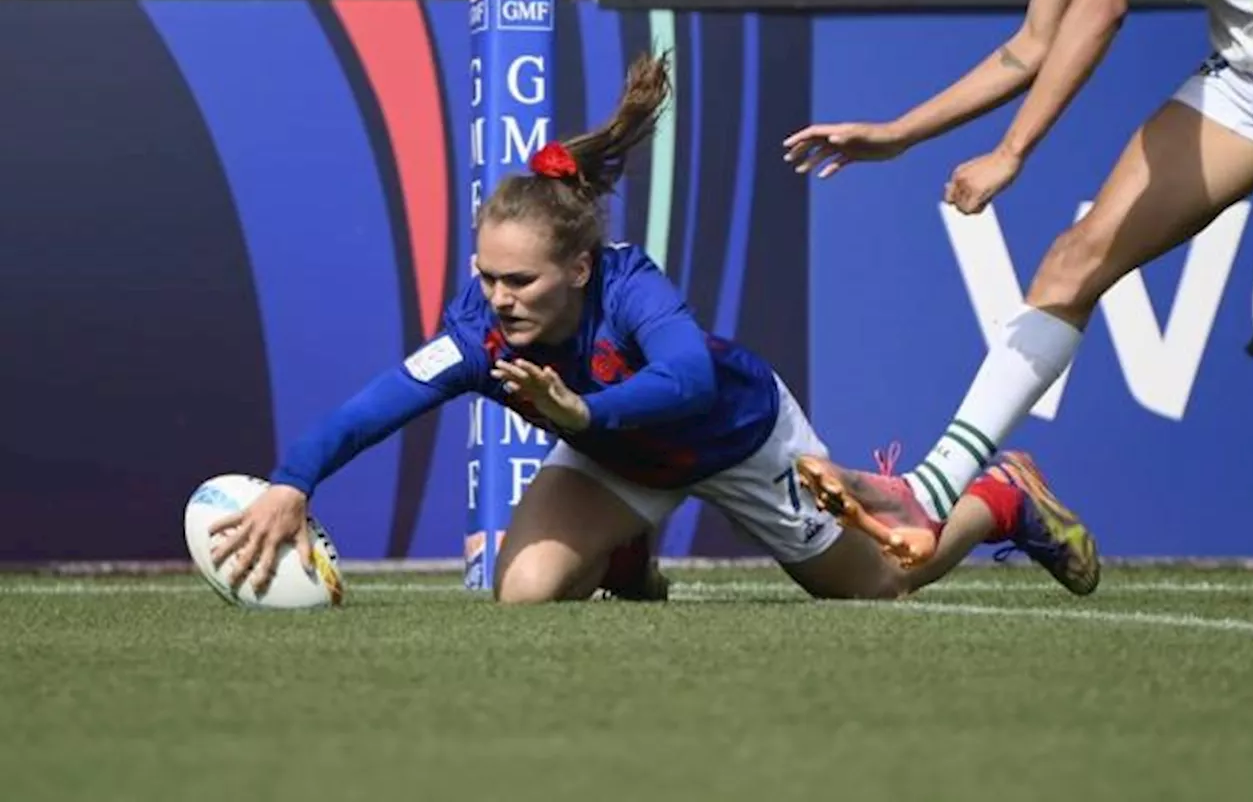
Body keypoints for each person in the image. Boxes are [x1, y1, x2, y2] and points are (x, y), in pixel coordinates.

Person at [209, 54, 1099, 604]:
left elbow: (692, 383)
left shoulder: (631, 287)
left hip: (738, 442)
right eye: (485, 276)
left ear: (579, 269)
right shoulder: (478, 329)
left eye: (519, 279)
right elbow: (380, 403)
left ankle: (1003, 497)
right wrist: (293, 483)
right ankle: (629, 552)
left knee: (883, 586)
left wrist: (584, 418)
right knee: (523, 595)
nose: (498, 297)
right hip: (614, 458)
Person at [782, 0, 1253, 534]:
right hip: (1252, 77)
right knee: (1073, 264)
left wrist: (1009, 152)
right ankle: (931, 491)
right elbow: (1036, 41)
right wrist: (900, 134)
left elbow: (1101, 7)